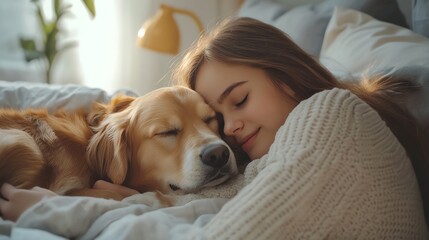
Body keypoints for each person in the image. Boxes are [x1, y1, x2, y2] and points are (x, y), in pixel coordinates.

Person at [1, 17, 428, 239]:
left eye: (239, 99)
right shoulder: (266, 160)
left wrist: (58, 212)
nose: (226, 133)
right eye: (219, 117)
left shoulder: (331, 117)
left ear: (287, 74)